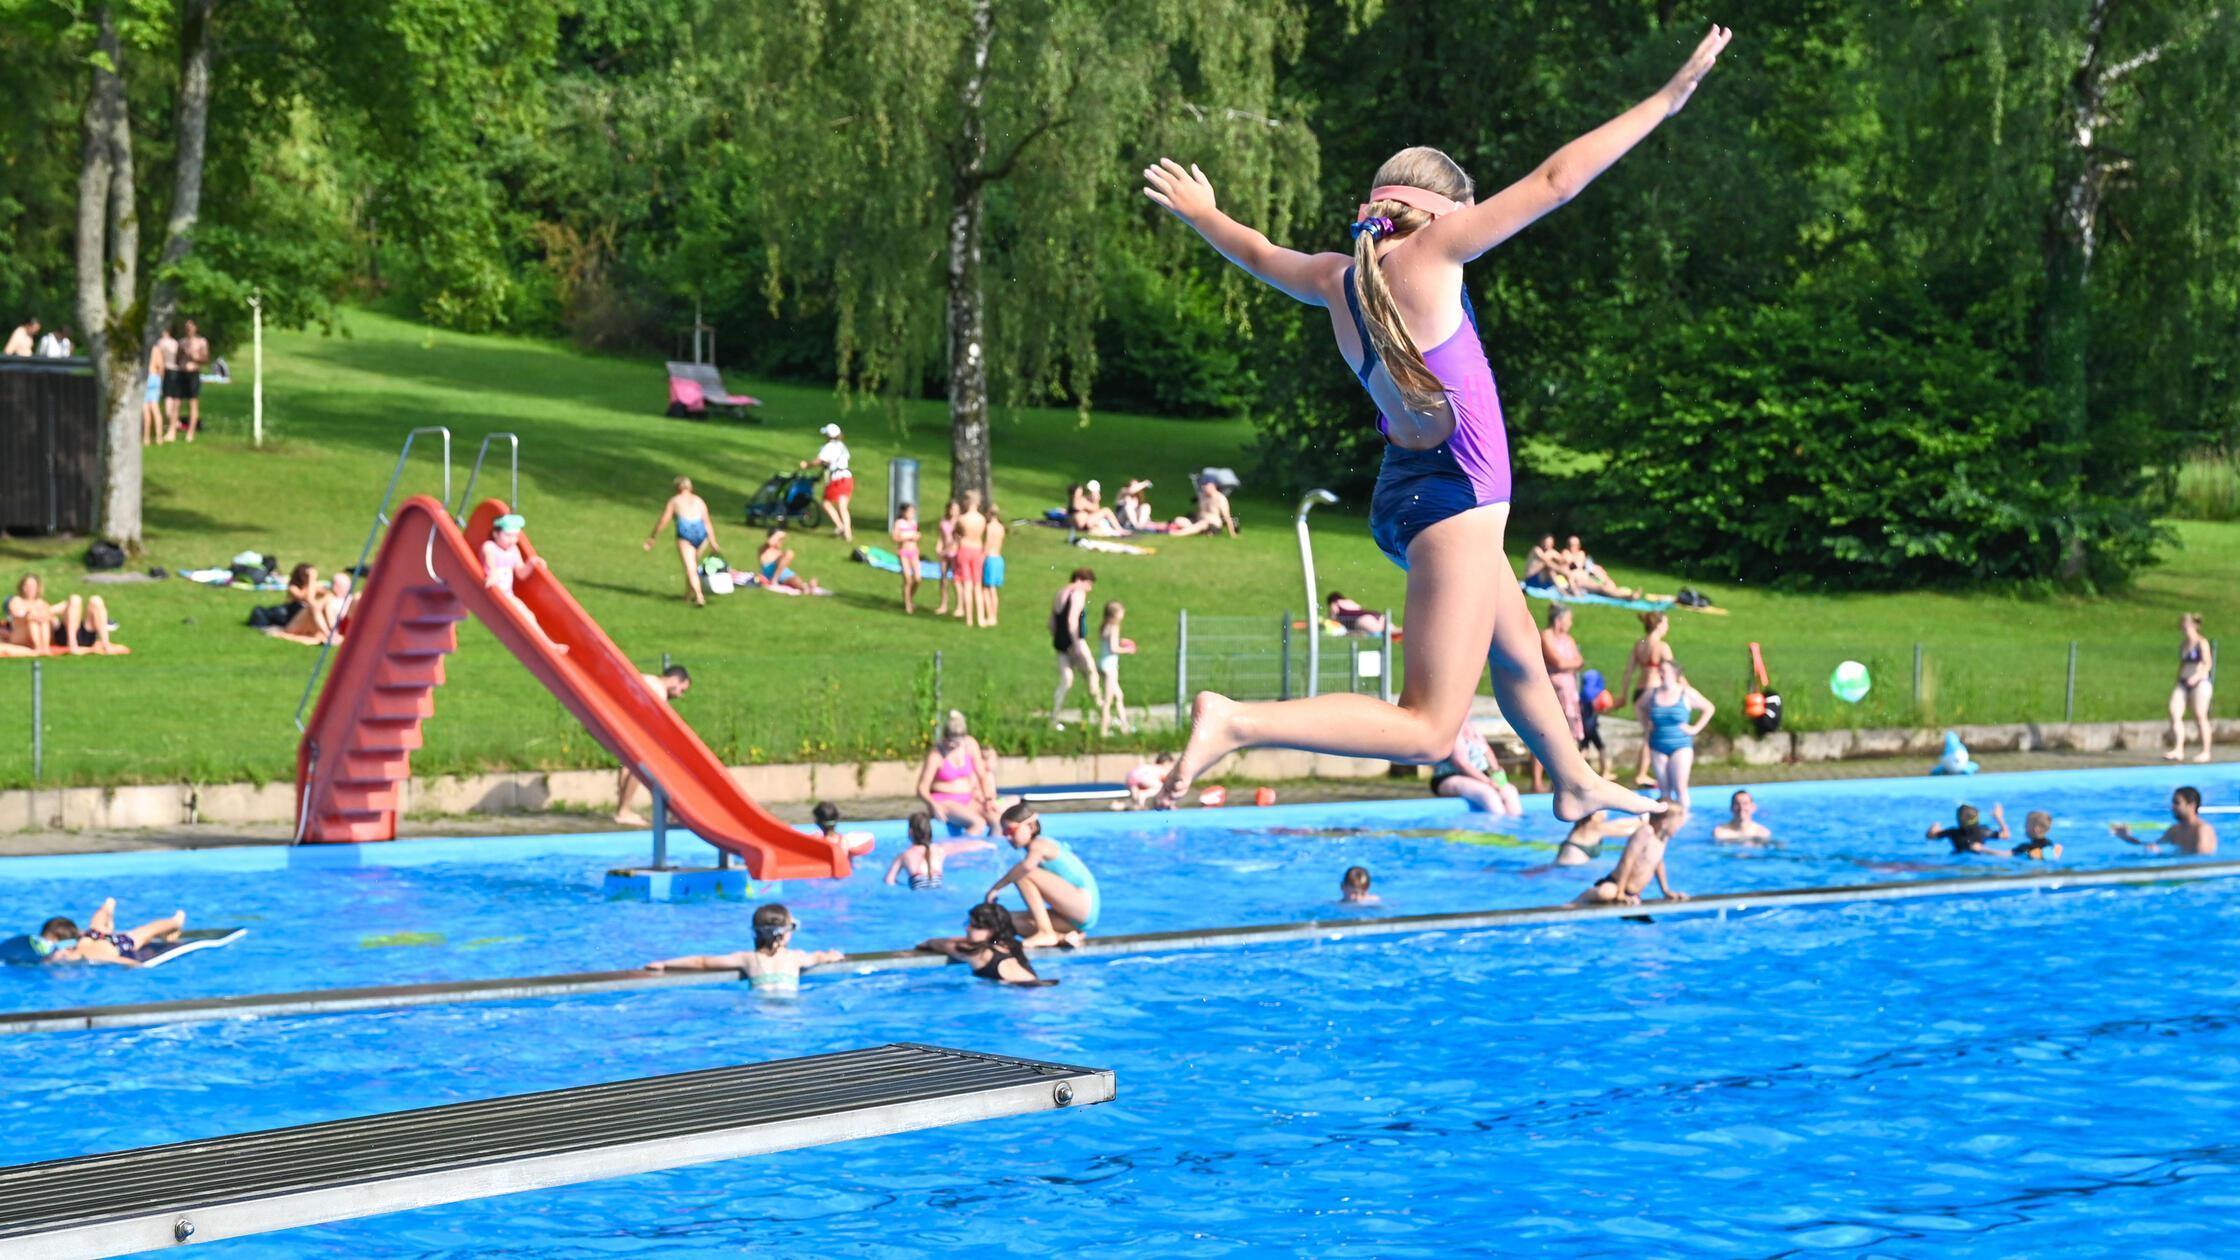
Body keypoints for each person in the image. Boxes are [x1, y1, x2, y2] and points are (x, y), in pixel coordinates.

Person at [1139, 29, 1727, 819]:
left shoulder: (1335, 278)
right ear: (1443, 209)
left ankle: (1574, 778)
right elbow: (1558, 179)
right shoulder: (1440, 249)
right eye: (1469, 207)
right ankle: (1237, 720)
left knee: (1516, 650)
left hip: (1414, 497)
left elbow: (1254, 250)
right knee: (1428, 728)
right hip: (1453, 501)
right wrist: (1666, 99)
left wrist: (1204, 214)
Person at [643, 903, 842, 994]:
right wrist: (832, 955)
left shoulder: (747, 959)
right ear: (785, 934)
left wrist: (665, 964)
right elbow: (820, 957)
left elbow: (701, 962)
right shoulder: (797, 957)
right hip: (792, 1010)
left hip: (759, 1009)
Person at [984, 802, 1099, 946]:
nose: (1007, 837)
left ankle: (1045, 933)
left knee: (1023, 873)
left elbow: (1025, 868)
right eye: (1004, 833)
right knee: (1004, 921)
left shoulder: (1040, 845)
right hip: (1072, 919)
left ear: (1031, 827)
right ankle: (1063, 936)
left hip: (1082, 906)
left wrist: (995, 888)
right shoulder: (1035, 848)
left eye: (1010, 831)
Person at [614, 666, 692, 824]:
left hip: (621, 724)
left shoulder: (645, 677)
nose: (680, 695)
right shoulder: (659, 692)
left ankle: (622, 809)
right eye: (681, 690)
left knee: (626, 767)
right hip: (635, 729)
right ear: (676, 680)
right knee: (640, 766)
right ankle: (624, 810)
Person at [482, 514, 566, 653]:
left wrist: (532, 562)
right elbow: (489, 558)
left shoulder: (513, 551)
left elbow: (521, 573)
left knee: (529, 616)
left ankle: (548, 644)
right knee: (525, 616)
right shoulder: (490, 546)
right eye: (508, 535)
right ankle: (548, 645)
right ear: (496, 534)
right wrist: (492, 572)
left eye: (515, 536)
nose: (512, 540)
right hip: (494, 592)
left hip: (507, 594)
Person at [915, 902, 1054, 985]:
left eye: (974, 925)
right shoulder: (1011, 945)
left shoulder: (978, 954)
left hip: (1024, 993)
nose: (967, 928)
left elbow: (938, 943)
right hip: (1040, 986)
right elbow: (990, 941)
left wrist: (926, 943)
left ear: (991, 930)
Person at [1573, 807, 1689, 905]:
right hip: (1617, 885)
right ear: (1664, 822)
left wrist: (1666, 891)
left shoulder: (1663, 838)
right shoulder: (1645, 832)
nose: (1679, 828)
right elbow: (1627, 860)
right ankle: (1579, 899)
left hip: (1633, 893)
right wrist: (1620, 892)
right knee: (1607, 893)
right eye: (1677, 824)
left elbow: (1658, 862)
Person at [1641, 658, 1714, 808]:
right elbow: (1638, 707)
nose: (1660, 673)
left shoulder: (1686, 693)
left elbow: (1709, 708)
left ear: (1674, 673)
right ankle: (1665, 821)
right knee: (1664, 790)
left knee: (1680, 788)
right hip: (1657, 745)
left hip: (1681, 745)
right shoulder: (1652, 694)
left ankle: (1684, 820)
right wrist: (1645, 725)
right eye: (1659, 670)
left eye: (1664, 670)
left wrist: (1695, 729)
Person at [34, 899, 186, 966]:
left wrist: (136, 965)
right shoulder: (75, 942)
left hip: (118, 943)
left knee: (146, 931)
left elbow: (118, 960)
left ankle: (176, 921)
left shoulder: (85, 955)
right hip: (91, 935)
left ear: (68, 948)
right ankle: (107, 907)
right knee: (96, 924)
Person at [643, 476, 721, 607]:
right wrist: (713, 542)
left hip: (685, 533)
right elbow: (707, 523)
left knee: (690, 568)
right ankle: (687, 596)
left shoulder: (675, 501)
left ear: (677, 488)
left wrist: (653, 536)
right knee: (692, 567)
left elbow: (664, 520)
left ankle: (699, 596)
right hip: (701, 534)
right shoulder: (699, 501)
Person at [1617, 612, 1675, 787]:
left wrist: (1623, 695)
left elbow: (1628, 672)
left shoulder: (1639, 645)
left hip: (1639, 692)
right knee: (1651, 735)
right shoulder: (1662, 647)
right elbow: (1673, 672)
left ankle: (1643, 772)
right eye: (1666, 623)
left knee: (1648, 733)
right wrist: (1686, 689)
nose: (1667, 627)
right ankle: (1642, 774)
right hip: (1653, 692)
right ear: (1658, 625)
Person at [918, 710, 996, 835]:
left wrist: (988, 799)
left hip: (968, 799)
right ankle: (961, 852)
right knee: (978, 823)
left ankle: (993, 853)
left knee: (996, 820)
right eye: (950, 742)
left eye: (957, 743)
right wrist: (932, 805)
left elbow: (982, 775)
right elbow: (922, 788)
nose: (953, 746)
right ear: (944, 737)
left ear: (964, 738)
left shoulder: (970, 745)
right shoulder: (936, 755)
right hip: (944, 801)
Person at [4, 574, 119, 655]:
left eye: (33, 586)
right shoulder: (16, 600)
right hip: (60, 637)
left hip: (84, 634)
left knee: (96, 600)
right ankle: (71, 644)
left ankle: (105, 643)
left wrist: (47, 612)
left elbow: (50, 616)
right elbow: (20, 614)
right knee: (74, 599)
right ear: (22, 587)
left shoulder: (42, 603)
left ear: (38, 588)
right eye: (27, 586)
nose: (30, 589)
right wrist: (39, 614)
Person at [1049, 568, 1104, 729]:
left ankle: (1054, 719)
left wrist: (1059, 639)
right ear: (1080, 580)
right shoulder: (1078, 594)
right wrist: (1076, 645)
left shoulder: (1060, 593)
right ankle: (1104, 714)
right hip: (1076, 641)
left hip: (1060, 642)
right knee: (1092, 674)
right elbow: (1072, 621)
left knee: (1066, 680)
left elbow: (1051, 622)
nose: (1090, 589)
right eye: (1089, 584)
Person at [885, 810, 996, 890]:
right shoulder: (940, 849)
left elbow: (889, 881)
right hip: (939, 891)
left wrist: (903, 886)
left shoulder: (904, 855)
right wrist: (985, 844)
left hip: (918, 896)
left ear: (910, 832)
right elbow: (965, 846)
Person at [1432, 720, 1522, 815]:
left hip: (1480, 776)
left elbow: (1487, 750)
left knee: (1510, 791)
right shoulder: (1452, 728)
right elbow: (1461, 764)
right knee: (1488, 794)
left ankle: (1514, 824)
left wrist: (1496, 772)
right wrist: (1489, 782)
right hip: (1449, 777)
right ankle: (1497, 826)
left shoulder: (1471, 727)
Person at [1539, 606, 1588, 777]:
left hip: (1569, 693)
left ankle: (1567, 775)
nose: (1571, 623)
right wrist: (1570, 663)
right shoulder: (1546, 636)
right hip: (1552, 691)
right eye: (1568, 619)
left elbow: (1580, 661)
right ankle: (1538, 780)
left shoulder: (1568, 639)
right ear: (1558, 620)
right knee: (1545, 731)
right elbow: (1557, 662)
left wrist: (1569, 663)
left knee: (1570, 733)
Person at [2113, 786, 2221, 855]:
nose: (2172, 807)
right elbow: (2153, 846)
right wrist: (2127, 837)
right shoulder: (2175, 830)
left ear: (2191, 805)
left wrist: (2161, 855)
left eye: (2177, 803)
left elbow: (2202, 861)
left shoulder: (2203, 830)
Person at [2167, 612, 2215, 763]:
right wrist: (2178, 680)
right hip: (2183, 682)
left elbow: (2208, 664)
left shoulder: (2202, 643)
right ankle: (2178, 749)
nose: (2184, 627)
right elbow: (2182, 664)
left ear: (2194, 626)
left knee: (2200, 716)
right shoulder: (2183, 645)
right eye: (2183, 624)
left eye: (2187, 624)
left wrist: (2196, 677)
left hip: (2199, 682)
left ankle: (2206, 751)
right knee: (2174, 712)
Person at [261, 563, 348, 646]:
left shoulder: (314, 587)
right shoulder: (293, 588)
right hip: (292, 622)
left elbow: (329, 595)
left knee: (325, 606)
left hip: (307, 621)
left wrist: (320, 602)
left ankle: (333, 631)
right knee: (314, 606)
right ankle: (329, 633)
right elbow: (308, 600)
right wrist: (311, 580)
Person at [802, 423, 854, 540]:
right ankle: (848, 533)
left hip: (837, 478)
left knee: (826, 502)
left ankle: (840, 526)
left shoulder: (829, 447)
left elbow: (820, 460)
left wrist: (807, 465)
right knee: (843, 507)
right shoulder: (841, 446)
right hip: (848, 477)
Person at [1096, 600, 1136, 736]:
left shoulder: (1104, 626)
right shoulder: (1114, 627)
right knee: (1108, 700)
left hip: (1102, 663)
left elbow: (1108, 644)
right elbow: (1113, 648)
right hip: (1110, 667)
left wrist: (1120, 642)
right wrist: (1128, 650)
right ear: (1116, 614)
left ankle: (1125, 726)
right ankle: (1104, 730)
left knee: (1119, 696)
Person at [1554, 809, 1640, 866]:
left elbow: (1618, 823)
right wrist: (1644, 823)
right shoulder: (1596, 827)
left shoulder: (1585, 823)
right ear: (1593, 815)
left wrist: (1641, 820)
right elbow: (1628, 831)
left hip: (1569, 857)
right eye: (1603, 811)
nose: (1605, 814)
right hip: (1572, 861)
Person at [954, 490, 987, 626]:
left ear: (967, 502)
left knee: (967, 584)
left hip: (965, 549)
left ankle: (968, 619)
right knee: (977, 585)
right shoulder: (982, 519)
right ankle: (980, 618)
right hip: (978, 549)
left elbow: (957, 534)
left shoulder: (962, 519)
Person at [1925, 802, 2009, 855]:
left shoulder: (1953, 832)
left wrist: (1933, 827)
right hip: (1978, 857)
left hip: (1956, 856)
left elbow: (1930, 836)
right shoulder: (1983, 831)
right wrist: (1998, 817)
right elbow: (2006, 835)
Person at [176, 318, 210, 441]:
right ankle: (173, 429)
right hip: (182, 372)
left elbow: (205, 359)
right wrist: (182, 354)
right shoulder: (182, 342)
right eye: (186, 327)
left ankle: (190, 432)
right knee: (177, 402)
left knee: (193, 403)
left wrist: (194, 357)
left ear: (195, 328)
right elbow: (177, 359)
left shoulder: (201, 341)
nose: (188, 330)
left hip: (193, 373)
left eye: (190, 327)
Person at [755, 528, 819, 593]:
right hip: (771, 573)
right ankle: (774, 580)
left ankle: (806, 587)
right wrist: (779, 534)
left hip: (785, 575)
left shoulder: (779, 552)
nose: (782, 542)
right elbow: (769, 542)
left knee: (796, 581)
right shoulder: (764, 550)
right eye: (780, 540)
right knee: (789, 553)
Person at [891, 501, 923, 614]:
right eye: (909, 511)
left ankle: (909, 597)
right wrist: (906, 537)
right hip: (903, 552)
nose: (912, 513)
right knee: (907, 578)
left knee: (918, 578)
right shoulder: (899, 523)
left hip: (914, 552)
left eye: (913, 511)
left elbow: (917, 535)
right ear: (903, 512)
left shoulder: (914, 523)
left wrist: (917, 537)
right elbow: (894, 538)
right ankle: (907, 605)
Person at [979, 506, 1007, 625]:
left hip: (990, 558)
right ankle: (994, 615)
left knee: (986, 588)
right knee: (993, 589)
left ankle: (989, 615)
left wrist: (981, 557)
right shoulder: (1001, 528)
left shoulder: (989, 527)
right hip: (999, 558)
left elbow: (987, 544)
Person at [933, 499, 962, 616]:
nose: (952, 511)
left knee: (956, 580)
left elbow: (958, 539)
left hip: (955, 552)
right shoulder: (943, 522)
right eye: (951, 509)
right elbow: (941, 537)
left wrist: (950, 548)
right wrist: (939, 548)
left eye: (955, 509)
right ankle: (943, 605)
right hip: (945, 553)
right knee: (943, 579)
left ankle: (960, 606)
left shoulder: (960, 523)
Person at [155, 323, 182, 441]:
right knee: (175, 402)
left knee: (168, 402)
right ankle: (173, 429)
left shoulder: (161, 343)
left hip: (168, 372)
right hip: (178, 372)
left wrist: (159, 379)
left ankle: (174, 425)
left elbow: (159, 361)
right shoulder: (176, 343)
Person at [140, 338, 165, 446]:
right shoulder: (157, 349)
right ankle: (159, 437)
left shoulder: (143, 349)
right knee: (155, 409)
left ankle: (146, 438)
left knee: (146, 410)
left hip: (146, 378)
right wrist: (161, 382)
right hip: (155, 378)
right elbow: (161, 366)